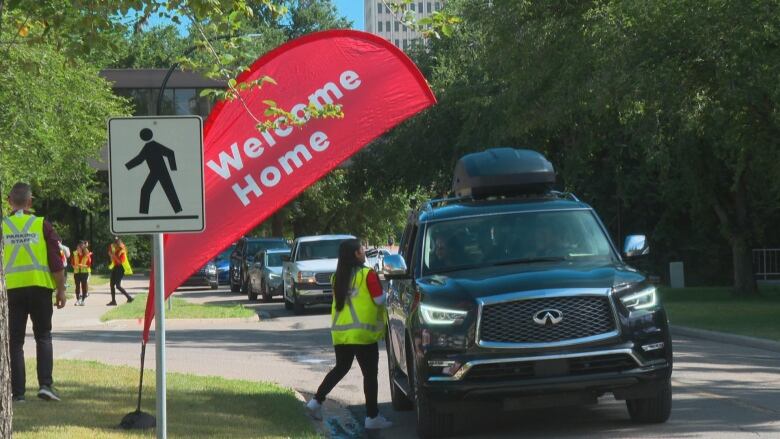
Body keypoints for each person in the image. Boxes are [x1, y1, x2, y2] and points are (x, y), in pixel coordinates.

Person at [306, 239, 392, 430]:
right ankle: (372, 417)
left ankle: (316, 402)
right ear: (356, 254)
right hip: (362, 333)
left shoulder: (337, 277)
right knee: (370, 374)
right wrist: (389, 293)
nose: (364, 251)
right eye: (362, 249)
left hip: (342, 334)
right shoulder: (367, 274)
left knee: (341, 368)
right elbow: (379, 300)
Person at [2, 182, 66, 402]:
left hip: (12, 291)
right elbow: (56, 261)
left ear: (9, 201)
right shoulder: (42, 225)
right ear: (30, 202)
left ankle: (17, 393)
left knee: (15, 341)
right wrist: (61, 290)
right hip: (40, 288)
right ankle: (45, 385)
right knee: (43, 336)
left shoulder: (3, 226)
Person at [107, 236, 134, 305]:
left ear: (118, 243)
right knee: (111, 284)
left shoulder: (122, 251)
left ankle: (129, 297)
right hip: (116, 267)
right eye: (114, 243)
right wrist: (111, 256)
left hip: (120, 268)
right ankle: (113, 301)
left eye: (116, 243)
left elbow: (120, 262)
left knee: (118, 286)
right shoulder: (115, 249)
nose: (114, 245)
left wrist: (113, 256)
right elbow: (113, 259)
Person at [71, 240, 92, 306]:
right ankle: (78, 300)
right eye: (77, 248)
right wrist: (73, 266)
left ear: (81, 248)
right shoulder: (74, 254)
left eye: (78, 248)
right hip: (76, 272)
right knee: (77, 286)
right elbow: (72, 262)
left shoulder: (86, 254)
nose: (77, 249)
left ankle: (83, 300)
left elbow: (89, 265)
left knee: (83, 286)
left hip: (84, 273)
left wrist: (82, 266)